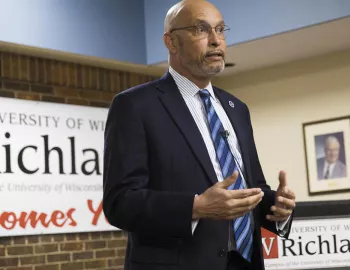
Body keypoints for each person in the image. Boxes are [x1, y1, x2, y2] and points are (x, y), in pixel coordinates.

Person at [102, 1, 296, 270]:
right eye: (201, 30)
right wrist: (196, 207)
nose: (216, 41)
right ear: (171, 42)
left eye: (220, 30)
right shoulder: (136, 106)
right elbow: (119, 203)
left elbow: (253, 189)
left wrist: (276, 207)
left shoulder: (237, 109)